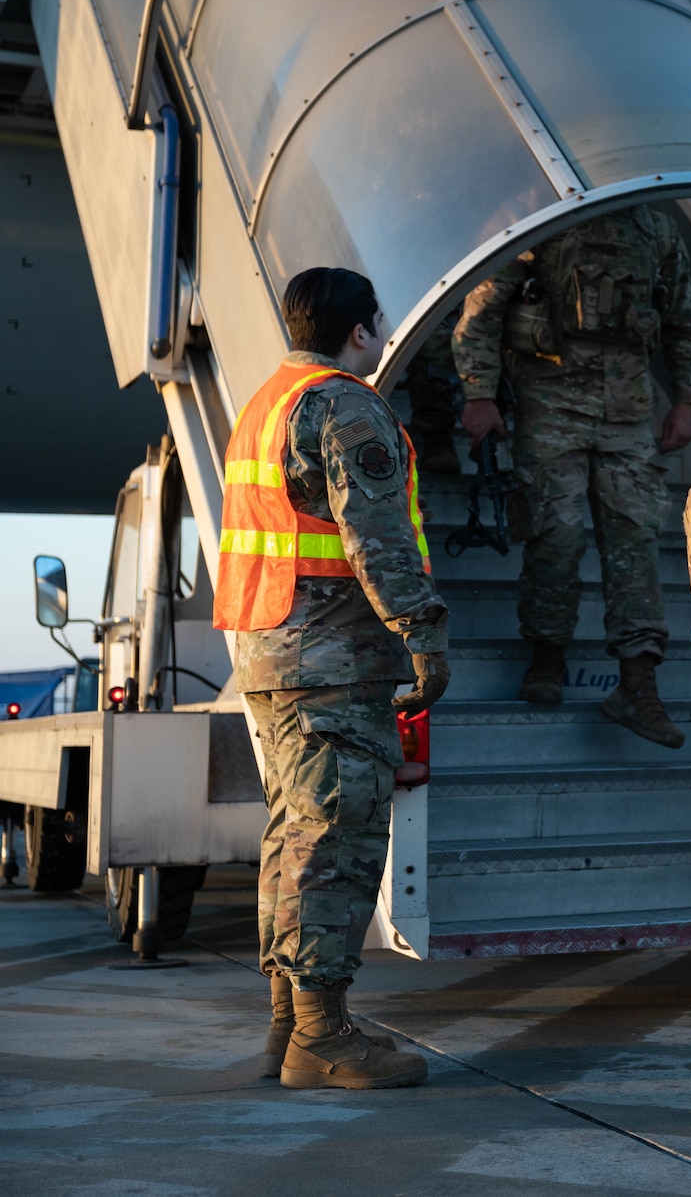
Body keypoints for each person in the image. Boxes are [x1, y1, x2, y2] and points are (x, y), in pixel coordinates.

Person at [214, 267, 448, 1090]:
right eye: (378, 324)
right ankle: (322, 1033)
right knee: (334, 842)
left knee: (291, 840)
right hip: (334, 658)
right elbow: (375, 535)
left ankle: (290, 1025)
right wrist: (425, 635)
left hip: (274, 651)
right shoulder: (345, 403)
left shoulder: (263, 404)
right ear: (360, 330)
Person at [453, 204, 691, 747]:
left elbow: (683, 317)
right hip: (549, 402)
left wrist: (687, 398)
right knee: (554, 533)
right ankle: (546, 654)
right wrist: (478, 392)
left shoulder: (654, 222)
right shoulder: (538, 212)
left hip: (627, 407)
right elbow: (484, 304)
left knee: (635, 539)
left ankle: (638, 684)